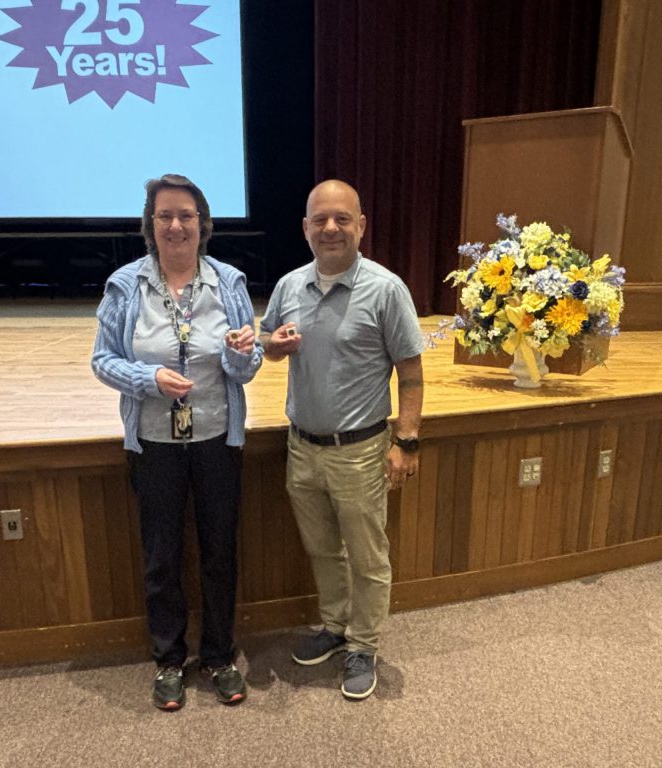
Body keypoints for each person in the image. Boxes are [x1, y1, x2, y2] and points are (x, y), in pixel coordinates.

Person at [91, 173, 262, 710]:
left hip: (216, 439)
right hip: (155, 442)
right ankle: (168, 660)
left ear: (203, 224)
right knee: (161, 557)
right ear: (151, 225)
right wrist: (150, 379)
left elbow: (249, 365)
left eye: (186, 215)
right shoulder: (125, 285)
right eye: (164, 215)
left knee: (219, 552)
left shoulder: (229, 284)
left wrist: (239, 352)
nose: (175, 225)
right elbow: (103, 360)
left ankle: (218, 655)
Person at [259, 179, 424, 700]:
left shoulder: (386, 288)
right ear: (306, 228)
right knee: (323, 550)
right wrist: (273, 346)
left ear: (360, 226)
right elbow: (268, 344)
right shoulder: (288, 286)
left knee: (368, 556)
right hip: (301, 447)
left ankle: (363, 645)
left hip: (360, 451)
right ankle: (334, 628)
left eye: (342, 219)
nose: (331, 228)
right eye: (320, 220)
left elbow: (412, 373)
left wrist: (408, 441)